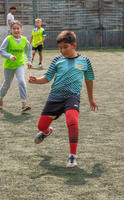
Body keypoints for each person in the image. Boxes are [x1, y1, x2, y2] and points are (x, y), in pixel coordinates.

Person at [28, 30, 98, 168]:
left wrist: (91, 99)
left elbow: (89, 80)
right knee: (41, 126)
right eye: (60, 48)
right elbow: (47, 77)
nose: (62, 50)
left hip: (72, 97)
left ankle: (73, 156)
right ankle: (47, 132)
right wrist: (36, 80)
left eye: (65, 47)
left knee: (72, 121)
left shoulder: (85, 61)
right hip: (55, 97)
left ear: (74, 46)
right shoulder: (57, 60)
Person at [0, 20, 33, 112]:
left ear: (21, 29)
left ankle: (24, 104)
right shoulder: (8, 39)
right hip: (8, 66)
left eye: (18, 28)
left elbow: (28, 51)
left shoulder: (25, 40)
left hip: (19, 65)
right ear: (10, 30)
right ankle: (0, 98)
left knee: (21, 81)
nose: (16, 30)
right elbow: (1, 51)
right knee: (7, 84)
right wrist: (9, 56)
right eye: (14, 29)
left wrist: (29, 61)